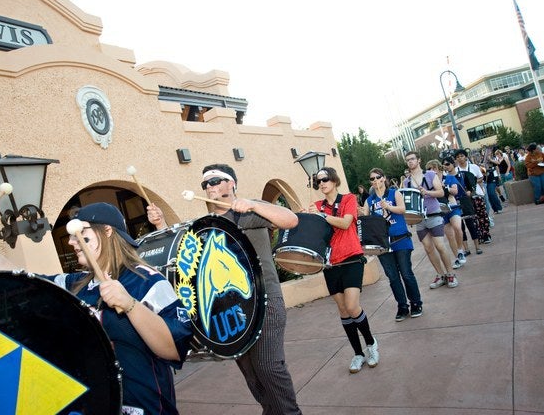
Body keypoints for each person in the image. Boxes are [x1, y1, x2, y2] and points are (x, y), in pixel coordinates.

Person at [0, 202, 193, 414]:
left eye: (80, 234)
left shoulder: (147, 281)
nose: (72, 242)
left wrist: (130, 304)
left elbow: (173, 350)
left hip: (145, 407)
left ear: (107, 231)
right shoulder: (75, 284)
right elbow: (18, 279)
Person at [147, 164, 303, 415]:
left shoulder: (248, 213)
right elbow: (183, 257)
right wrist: (161, 224)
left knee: (268, 366)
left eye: (216, 181)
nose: (210, 186)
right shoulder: (209, 225)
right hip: (233, 309)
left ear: (231, 184)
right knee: (252, 374)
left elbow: (291, 220)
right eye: (206, 184)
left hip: (265, 300)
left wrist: (252, 204)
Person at [307, 166, 378, 374]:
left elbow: (346, 223)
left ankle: (372, 344)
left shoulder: (348, 199)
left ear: (335, 180)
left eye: (325, 179)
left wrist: (320, 215)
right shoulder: (317, 205)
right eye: (318, 181)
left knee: (352, 305)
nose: (322, 183)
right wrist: (309, 216)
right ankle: (358, 353)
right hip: (330, 263)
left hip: (352, 259)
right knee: (343, 310)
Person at [362, 168, 422, 321]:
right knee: (393, 277)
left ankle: (416, 302)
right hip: (383, 244)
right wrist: (360, 212)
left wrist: (388, 207)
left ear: (384, 178)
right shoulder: (370, 200)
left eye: (378, 177)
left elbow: (402, 209)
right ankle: (402, 306)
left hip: (400, 239)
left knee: (406, 273)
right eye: (372, 178)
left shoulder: (394, 193)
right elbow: (365, 218)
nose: (375, 180)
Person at [403, 151, 458, 289]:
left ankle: (450, 273)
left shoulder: (430, 175)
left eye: (412, 159)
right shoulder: (407, 181)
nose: (410, 162)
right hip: (419, 218)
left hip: (434, 214)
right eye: (408, 160)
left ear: (418, 160)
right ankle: (440, 274)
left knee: (440, 245)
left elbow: (440, 192)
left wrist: (427, 192)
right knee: (428, 248)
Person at [426, 159, 467, 270]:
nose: (432, 171)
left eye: (433, 168)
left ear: (439, 168)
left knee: (458, 227)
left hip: (452, 207)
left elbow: (455, 191)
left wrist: (444, 188)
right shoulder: (429, 184)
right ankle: (458, 257)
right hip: (440, 211)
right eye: (429, 169)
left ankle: (460, 250)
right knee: (450, 235)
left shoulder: (449, 177)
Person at [454, 149, 491, 245]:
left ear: (465, 157)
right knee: (471, 218)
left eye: (461, 156)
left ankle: (486, 234)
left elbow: (481, 177)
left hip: (477, 194)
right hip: (465, 197)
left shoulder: (474, 167)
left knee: (482, 215)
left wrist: (473, 182)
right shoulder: (456, 170)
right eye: (457, 157)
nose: (460, 158)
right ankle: (478, 236)